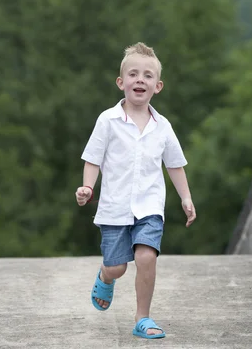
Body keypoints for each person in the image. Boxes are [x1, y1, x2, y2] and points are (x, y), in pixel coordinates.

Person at [75, 42, 196, 339]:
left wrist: (186, 197)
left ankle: (143, 317)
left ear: (158, 86)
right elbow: (93, 158)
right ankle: (106, 275)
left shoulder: (163, 127)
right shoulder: (108, 121)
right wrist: (87, 187)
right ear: (121, 82)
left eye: (147, 76)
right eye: (133, 74)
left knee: (146, 257)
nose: (139, 79)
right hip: (115, 208)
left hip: (150, 207)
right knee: (118, 268)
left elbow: (174, 165)